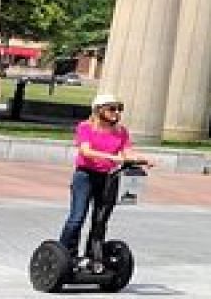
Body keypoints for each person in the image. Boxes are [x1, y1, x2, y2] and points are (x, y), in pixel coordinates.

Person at [61, 92, 151, 255]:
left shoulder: (121, 132)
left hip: (108, 178)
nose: (117, 113)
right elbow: (86, 151)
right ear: (99, 110)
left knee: (100, 221)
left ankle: (93, 255)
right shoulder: (85, 127)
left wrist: (141, 159)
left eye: (119, 109)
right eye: (112, 109)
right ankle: (66, 253)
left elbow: (127, 152)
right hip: (85, 176)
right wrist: (113, 157)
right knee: (77, 218)